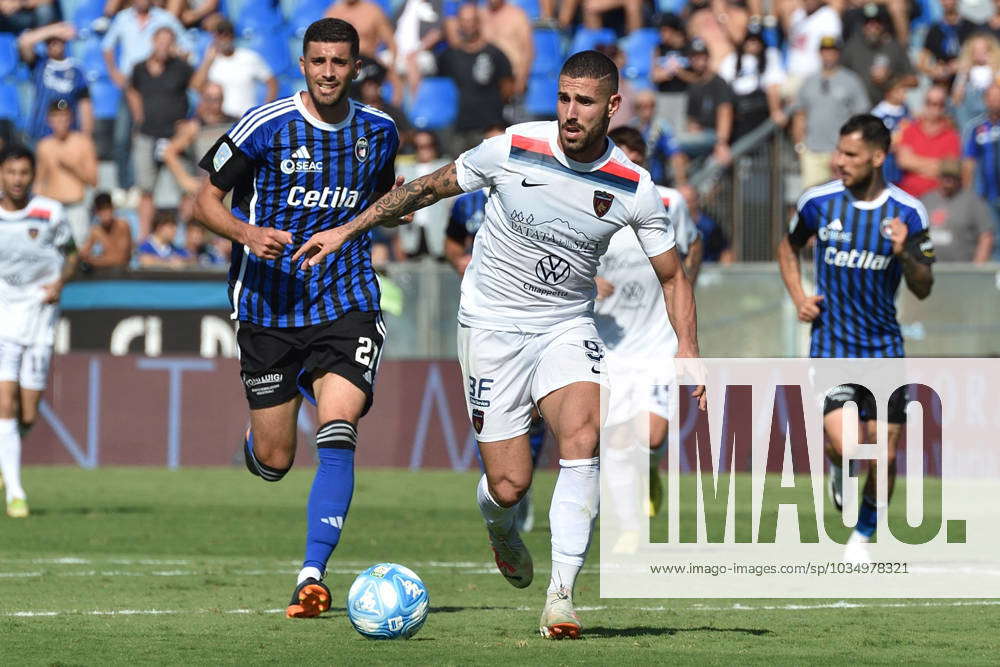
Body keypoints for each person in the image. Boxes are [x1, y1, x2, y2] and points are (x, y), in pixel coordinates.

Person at [292, 49, 704, 638]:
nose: (569, 111)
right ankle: (501, 526)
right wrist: (347, 230)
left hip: (566, 325)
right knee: (509, 485)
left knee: (581, 439)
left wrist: (688, 350)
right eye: (563, 97)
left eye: (584, 101)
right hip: (490, 326)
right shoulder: (512, 147)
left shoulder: (634, 187)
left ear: (612, 106)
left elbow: (674, 275)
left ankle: (561, 596)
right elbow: (426, 189)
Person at [193, 18, 404, 620]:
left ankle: (312, 574)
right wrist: (247, 232)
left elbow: (382, 199)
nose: (329, 72)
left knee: (339, 428)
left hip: (347, 302)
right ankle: (262, 442)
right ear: (303, 65)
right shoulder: (266, 126)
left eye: (340, 62)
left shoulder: (379, 131)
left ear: (356, 66)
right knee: (277, 460)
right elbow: (202, 200)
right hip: (268, 309)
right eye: (319, 61)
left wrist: (390, 215)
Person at [776, 114, 935, 564]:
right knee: (849, 447)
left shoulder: (908, 212)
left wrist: (906, 252)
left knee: (884, 455)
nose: (839, 162)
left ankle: (863, 535)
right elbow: (788, 247)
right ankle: (837, 466)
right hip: (832, 345)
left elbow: (924, 285)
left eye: (850, 155)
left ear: (878, 158)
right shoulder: (818, 203)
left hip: (884, 348)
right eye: (838, 152)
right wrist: (798, 296)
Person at [597, 125, 701, 539]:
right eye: (621, 154)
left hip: (658, 339)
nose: (630, 161)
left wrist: (682, 293)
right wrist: (588, 283)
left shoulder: (669, 202)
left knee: (650, 435)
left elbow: (692, 248)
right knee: (617, 438)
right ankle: (627, 528)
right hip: (608, 342)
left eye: (636, 154)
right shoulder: (589, 204)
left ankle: (652, 468)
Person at [0, 144, 78, 519]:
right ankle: (16, 492)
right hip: (3, 320)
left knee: (27, 414)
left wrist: (59, 283)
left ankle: (6, 458)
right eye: (11, 172)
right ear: (2, 175)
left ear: (32, 175)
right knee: (4, 405)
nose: (17, 179)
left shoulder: (50, 213)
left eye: (23, 173)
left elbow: (73, 254)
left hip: (39, 319)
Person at [126, 27, 195, 236]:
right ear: (153, 41)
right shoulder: (139, 68)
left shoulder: (181, 68)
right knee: (146, 190)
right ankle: (144, 239)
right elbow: (131, 89)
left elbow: (199, 86)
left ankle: (187, 240)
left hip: (175, 137)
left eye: (169, 41)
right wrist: (138, 116)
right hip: (148, 134)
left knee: (186, 189)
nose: (164, 46)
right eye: (161, 41)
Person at [434, 2, 514, 157]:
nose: (468, 25)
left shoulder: (495, 54)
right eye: (464, 20)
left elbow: (507, 88)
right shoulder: (448, 56)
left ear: (479, 22)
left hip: (488, 128)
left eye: (471, 20)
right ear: (459, 23)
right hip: (458, 129)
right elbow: (441, 91)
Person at [793, 36, 870, 189]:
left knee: (841, 195)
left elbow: (860, 117)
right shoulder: (809, 80)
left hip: (840, 151)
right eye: (825, 51)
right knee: (812, 197)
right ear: (819, 54)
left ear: (838, 54)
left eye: (832, 51)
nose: (828, 55)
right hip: (812, 149)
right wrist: (800, 145)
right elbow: (800, 114)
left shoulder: (851, 80)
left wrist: (849, 148)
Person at [34, 100, 98, 246]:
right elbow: (39, 180)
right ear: (49, 120)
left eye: (65, 117)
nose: (61, 122)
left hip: (75, 207)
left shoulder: (83, 143)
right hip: (51, 206)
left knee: (77, 251)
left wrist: (74, 167)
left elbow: (94, 180)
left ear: (71, 118)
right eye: (56, 117)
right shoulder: (44, 145)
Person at [16, 22, 93, 141]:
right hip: (38, 135)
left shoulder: (76, 70)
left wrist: (86, 137)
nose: (53, 44)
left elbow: (85, 105)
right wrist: (54, 30)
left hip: (67, 137)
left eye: (58, 40)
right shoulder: (39, 64)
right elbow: (24, 42)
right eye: (49, 41)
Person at [190, 18, 278, 120]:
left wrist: (265, 110)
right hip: (222, 121)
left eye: (227, 34)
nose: (224, 39)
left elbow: (272, 82)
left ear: (232, 36)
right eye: (219, 34)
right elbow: (195, 86)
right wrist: (207, 61)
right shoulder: (211, 61)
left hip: (246, 119)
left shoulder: (249, 57)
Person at [839, 3, 915, 106]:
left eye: (877, 22)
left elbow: (914, 80)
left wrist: (891, 77)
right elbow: (838, 76)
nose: (872, 26)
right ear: (862, 25)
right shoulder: (851, 47)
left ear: (883, 24)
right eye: (868, 22)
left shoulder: (894, 47)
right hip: (857, 109)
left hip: (886, 109)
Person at [920, 159, 995, 263]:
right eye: (945, 176)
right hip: (930, 269)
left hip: (961, 271)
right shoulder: (925, 201)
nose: (948, 180)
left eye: (953, 176)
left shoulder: (973, 202)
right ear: (939, 177)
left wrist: (977, 268)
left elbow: (986, 236)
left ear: (960, 178)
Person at [895, 84, 961, 198]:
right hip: (909, 196)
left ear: (945, 106)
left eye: (940, 104)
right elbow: (904, 161)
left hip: (938, 198)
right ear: (925, 104)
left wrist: (916, 163)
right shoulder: (911, 129)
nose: (935, 108)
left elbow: (949, 169)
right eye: (930, 103)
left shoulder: (951, 135)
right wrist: (935, 166)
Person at [679, 38, 733, 165]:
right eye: (695, 57)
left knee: (674, 142)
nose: (699, 61)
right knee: (678, 154)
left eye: (702, 57)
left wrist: (722, 143)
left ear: (708, 58)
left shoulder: (718, 82)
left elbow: (725, 112)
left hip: (714, 135)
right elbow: (691, 118)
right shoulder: (694, 85)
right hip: (700, 135)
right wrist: (693, 129)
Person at [962, 83, 1000, 252]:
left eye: (998, 97)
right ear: (985, 100)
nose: (995, 101)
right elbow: (968, 163)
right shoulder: (977, 127)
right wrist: (968, 195)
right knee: (993, 239)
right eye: (991, 97)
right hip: (987, 196)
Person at [917, 0, 981, 87]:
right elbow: (922, 62)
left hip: (967, 81)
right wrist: (934, 70)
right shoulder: (934, 30)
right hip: (942, 82)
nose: (947, 2)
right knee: (935, 95)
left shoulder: (971, 27)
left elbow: (982, 56)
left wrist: (962, 64)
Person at [679, 183, 733, 268]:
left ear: (696, 201)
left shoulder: (709, 226)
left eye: (689, 201)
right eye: (683, 201)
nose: (686, 205)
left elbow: (725, 252)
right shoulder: (670, 225)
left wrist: (726, 273)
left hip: (706, 274)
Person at [870, 75, 910, 185]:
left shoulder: (906, 110)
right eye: (899, 90)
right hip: (887, 163)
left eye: (904, 90)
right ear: (889, 92)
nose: (904, 93)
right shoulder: (878, 114)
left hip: (903, 163)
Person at [79, 192, 132, 271]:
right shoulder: (96, 231)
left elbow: (120, 259)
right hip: (105, 275)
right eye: (101, 210)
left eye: (107, 208)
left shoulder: (122, 226)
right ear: (96, 212)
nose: (105, 214)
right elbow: (82, 256)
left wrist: (93, 261)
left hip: (123, 275)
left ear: (112, 208)